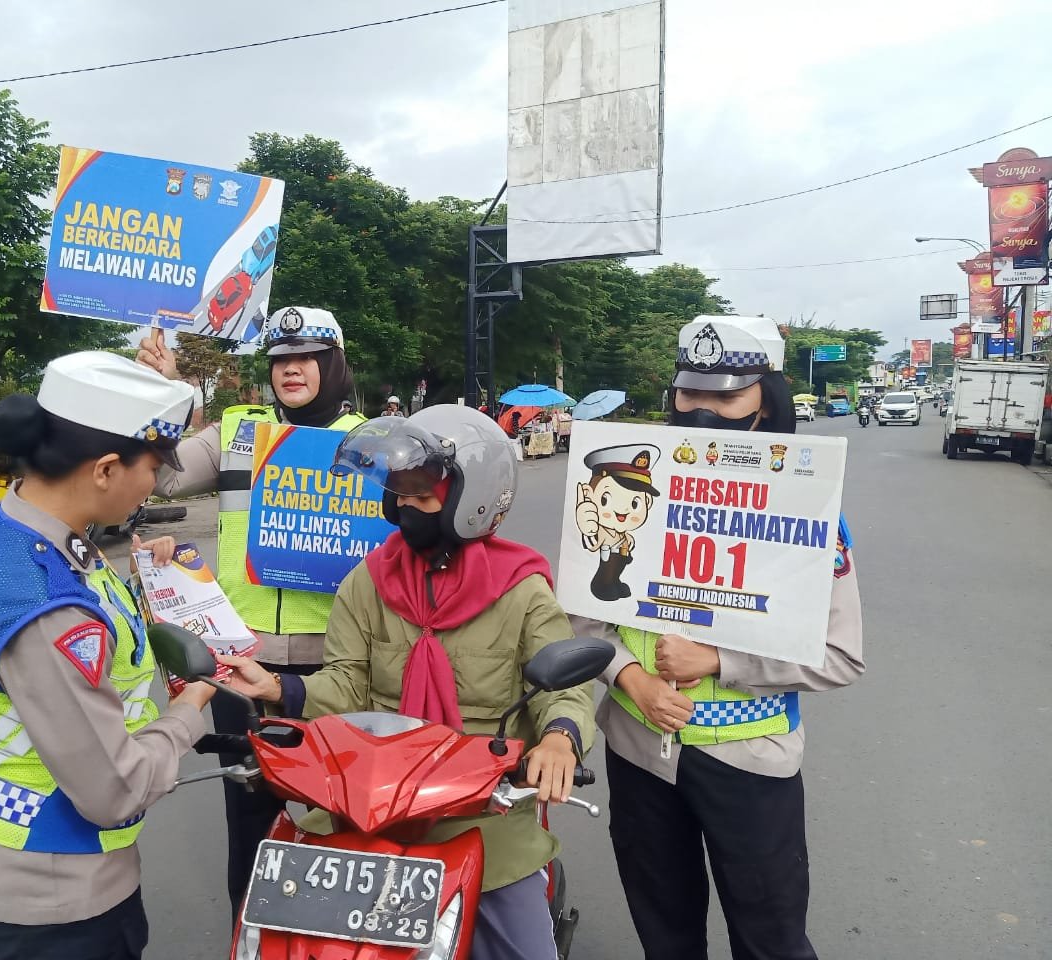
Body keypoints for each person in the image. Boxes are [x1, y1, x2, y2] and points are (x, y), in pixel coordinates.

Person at [219, 405, 594, 960]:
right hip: (368, 802)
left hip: (480, 810)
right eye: (399, 493)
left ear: (475, 497)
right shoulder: (367, 582)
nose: (405, 506)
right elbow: (347, 683)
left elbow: (562, 685)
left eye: (423, 493)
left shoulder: (521, 590)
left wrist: (560, 739)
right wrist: (278, 689)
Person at [580, 315, 865, 960]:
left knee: (771, 942)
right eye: (690, 394)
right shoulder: (626, 490)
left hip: (748, 759)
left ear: (766, 402)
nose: (703, 412)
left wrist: (720, 659)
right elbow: (585, 614)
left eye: (727, 397)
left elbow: (841, 655)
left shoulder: (808, 509)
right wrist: (630, 677)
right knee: (666, 939)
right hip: (637, 750)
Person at [0, 352, 217, 960]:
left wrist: (155, 588)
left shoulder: (15, 526)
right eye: (153, 467)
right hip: (51, 892)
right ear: (106, 468)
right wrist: (190, 710)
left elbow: (98, 638)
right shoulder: (46, 606)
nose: (156, 484)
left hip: (14, 854)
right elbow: (115, 790)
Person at [134, 306, 364, 916]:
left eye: (307, 356)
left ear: (333, 364)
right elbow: (164, 479)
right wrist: (171, 391)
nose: (292, 368)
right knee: (250, 811)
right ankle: (252, 933)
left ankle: (333, 939)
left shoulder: (373, 443)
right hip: (241, 659)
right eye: (281, 359)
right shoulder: (237, 431)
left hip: (338, 665)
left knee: (342, 810)